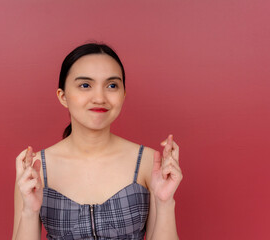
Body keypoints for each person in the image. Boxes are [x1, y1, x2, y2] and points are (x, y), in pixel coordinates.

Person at [12, 43, 182, 240]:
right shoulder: (35, 170)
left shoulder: (149, 161)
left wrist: (165, 202)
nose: (100, 98)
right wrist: (29, 212)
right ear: (63, 96)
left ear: (123, 95)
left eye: (112, 86)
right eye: (85, 85)